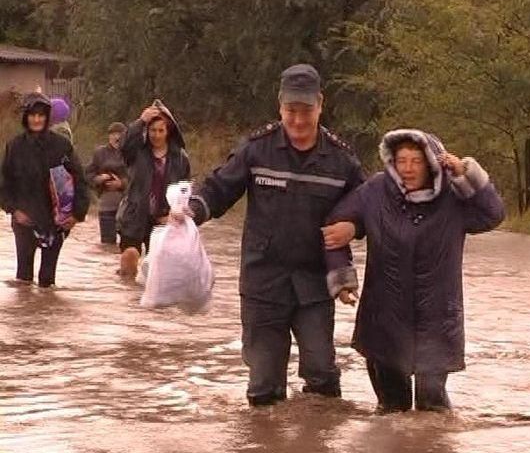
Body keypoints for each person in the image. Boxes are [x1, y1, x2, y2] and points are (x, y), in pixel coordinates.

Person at [183, 64, 366, 406]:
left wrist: (354, 227)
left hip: (314, 285)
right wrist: (190, 210)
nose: (298, 121)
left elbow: (370, 206)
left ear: (320, 104)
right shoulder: (257, 150)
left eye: (306, 111)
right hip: (263, 282)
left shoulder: (341, 160)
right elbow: (218, 189)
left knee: (323, 376)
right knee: (264, 386)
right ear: (280, 106)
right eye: (291, 111)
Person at [324, 128, 505, 413]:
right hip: (383, 319)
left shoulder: (454, 196)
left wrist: (466, 172)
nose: (407, 169)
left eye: (416, 161)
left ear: (432, 162)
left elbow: (493, 215)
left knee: (432, 410)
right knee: (391, 412)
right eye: (401, 160)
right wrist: (342, 277)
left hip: (436, 321)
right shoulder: (375, 190)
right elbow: (334, 226)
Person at [0, 91, 90, 288]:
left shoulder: (61, 146)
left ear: (47, 117)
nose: (36, 119)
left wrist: (76, 215)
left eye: (41, 115)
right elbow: (4, 185)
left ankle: (47, 316)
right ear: (26, 117)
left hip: (55, 222)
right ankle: (28, 318)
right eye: (32, 115)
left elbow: (80, 180)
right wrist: (14, 211)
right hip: (25, 219)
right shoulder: (14, 147)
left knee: (47, 282)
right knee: (23, 280)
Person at [116, 100, 191, 277]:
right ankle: (127, 300)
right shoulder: (136, 152)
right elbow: (123, 146)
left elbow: (184, 190)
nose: (156, 135)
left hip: (163, 218)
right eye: (152, 130)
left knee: (156, 270)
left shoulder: (180, 158)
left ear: (168, 132)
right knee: (130, 258)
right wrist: (140, 121)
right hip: (134, 215)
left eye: (160, 131)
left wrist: (175, 213)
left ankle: (149, 302)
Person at [85, 122, 128, 244]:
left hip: (128, 204)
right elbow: (88, 174)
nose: (116, 137)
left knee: (128, 244)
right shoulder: (100, 153)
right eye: (113, 134)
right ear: (109, 136)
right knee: (107, 244)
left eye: (119, 134)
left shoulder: (132, 153)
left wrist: (121, 184)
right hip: (106, 202)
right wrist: (98, 179)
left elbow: (139, 177)